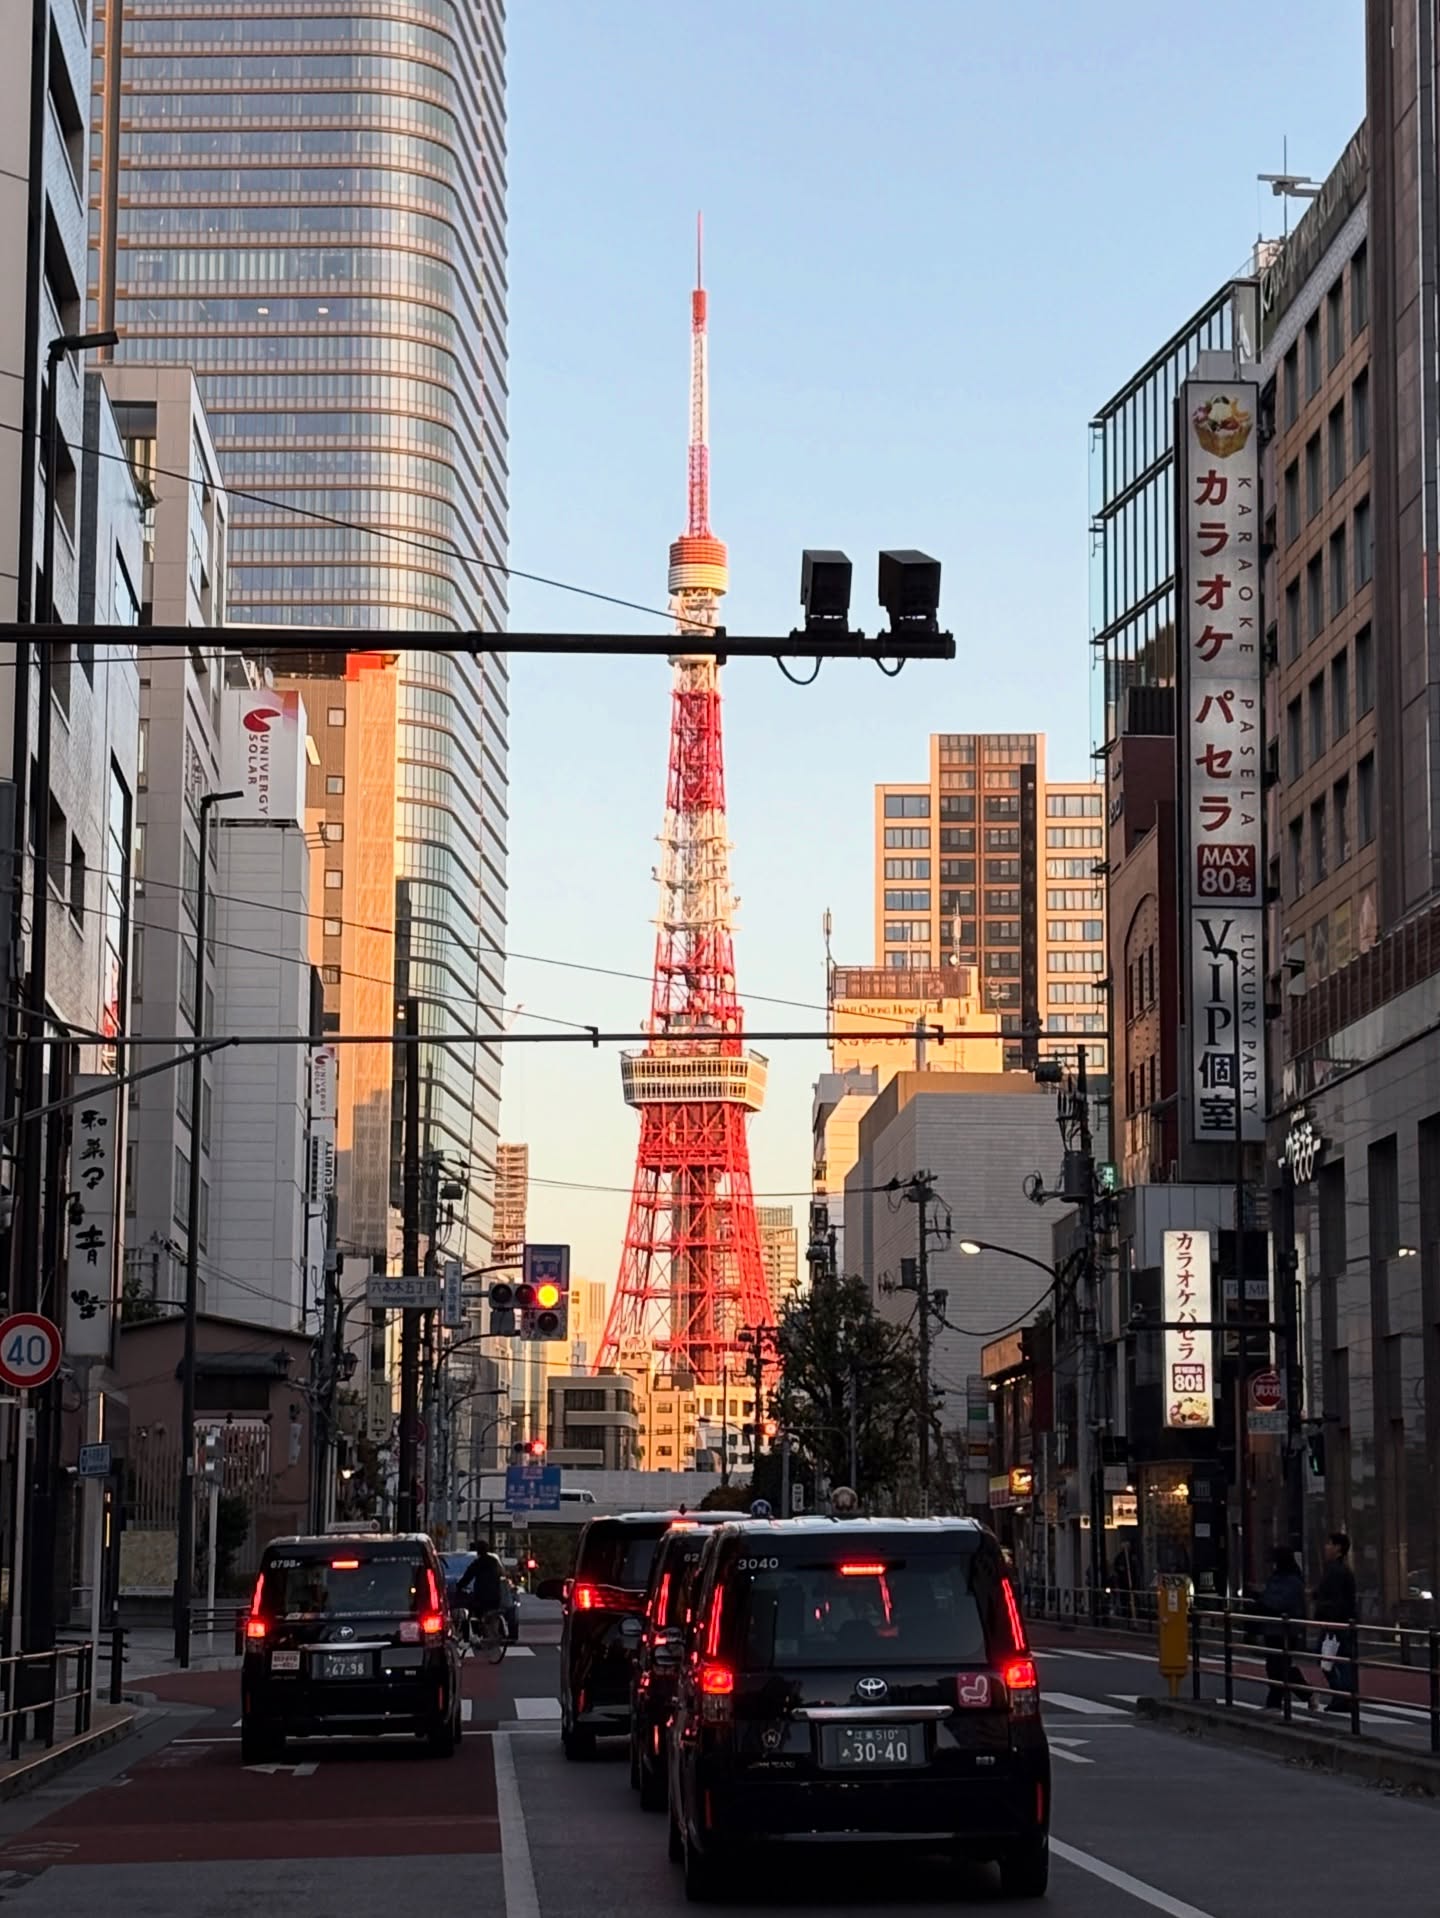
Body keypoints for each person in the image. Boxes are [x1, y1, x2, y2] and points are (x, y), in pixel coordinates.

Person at [1313, 1531, 1358, 1716]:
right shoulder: (1339, 1570)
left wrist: (1325, 1612)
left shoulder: (1336, 1571)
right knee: (1337, 1659)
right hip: (1340, 1620)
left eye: (1330, 1544)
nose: (1326, 1547)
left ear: (1338, 1548)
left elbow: (1335, 1598)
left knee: (1331, 1658)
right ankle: (1344, 1696)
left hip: (1335, 1622)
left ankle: (1342, 1695)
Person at [1260, 1545, 1311, 1710]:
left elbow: (1281, 1602)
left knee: (1279, 1667)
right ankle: (1278, 1701)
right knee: (1275, 1667)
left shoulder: (1292, 1581)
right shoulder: (1279, 1578)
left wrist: (1263, 1603)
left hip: (1285, 1630)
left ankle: (1279, 1701)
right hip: (1273, 1628)